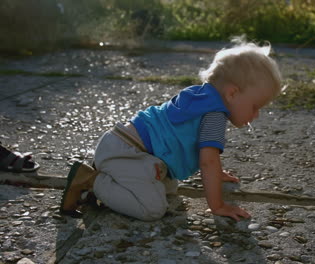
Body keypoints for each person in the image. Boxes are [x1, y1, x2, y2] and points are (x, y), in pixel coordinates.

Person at [60, 39, 282, 221]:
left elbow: (202, 154)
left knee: (168, 189)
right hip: (128, 153)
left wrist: (217, 174)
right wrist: (218, 206)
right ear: (232, 93)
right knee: (153, 209)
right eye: (255, 107)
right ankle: (91, 181)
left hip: (124, 146)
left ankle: (110, 182)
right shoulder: (215, 116)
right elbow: (208, 161)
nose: (256, 115)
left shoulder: (201, 98)